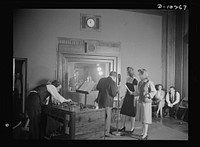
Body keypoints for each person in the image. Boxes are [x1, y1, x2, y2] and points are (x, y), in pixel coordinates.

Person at [134, 69, 156, 140]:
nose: (139, 76)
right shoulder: (140, 83)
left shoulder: (150, 82)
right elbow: (138, 92)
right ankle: (143, 132)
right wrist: (132, 93)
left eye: (140, 74)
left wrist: (148, 95)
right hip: (140, 102)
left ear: (144, 75)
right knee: (142, 118)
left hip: (146, 102)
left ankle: (145, 134)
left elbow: (154, 91)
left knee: (146, 118)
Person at [96, 71, 119, 137]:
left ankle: (100, 131)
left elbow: (97, 88)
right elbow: (113, 93)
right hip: (108, 102)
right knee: (108, 117)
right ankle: (106, 132)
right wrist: (117, 90)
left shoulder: (102, 79)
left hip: (100, 100)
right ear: (115, 77)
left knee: (102, 116)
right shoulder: (113, 82)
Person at [119, 67, 138, 133]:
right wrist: (123, 96)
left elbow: (136, 91)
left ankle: (132, 128)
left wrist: (134, 100)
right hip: (127, 97)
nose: (128, 72)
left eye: (129, 71)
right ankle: (122, 126)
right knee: (123, 112)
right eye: (128, 71)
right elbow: (126, 90)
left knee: (132, 113)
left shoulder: (135, 80)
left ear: (132, 71)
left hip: (132, 97)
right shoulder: (127, 79)